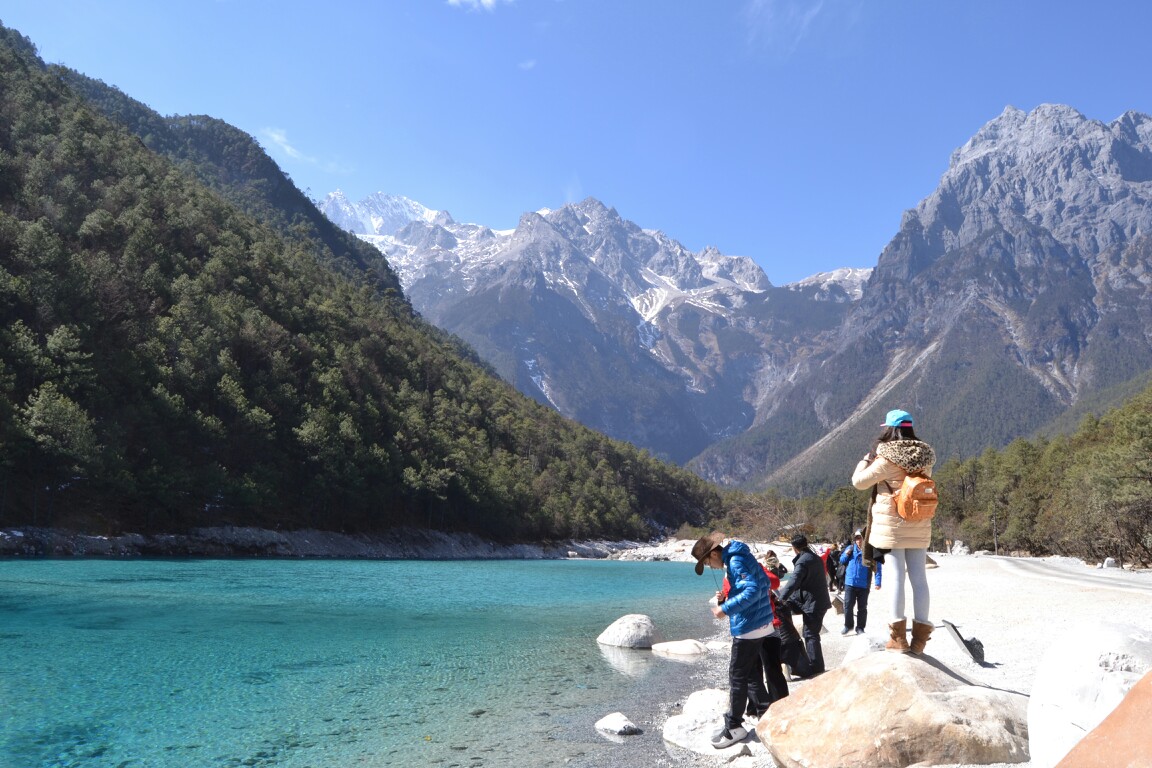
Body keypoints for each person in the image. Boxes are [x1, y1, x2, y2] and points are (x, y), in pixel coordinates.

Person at [851, 409, 937, 654]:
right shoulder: (926, 456)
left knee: (896, 577)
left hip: (892, 526)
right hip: (919, 522)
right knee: (919, 578)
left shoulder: (886, 458)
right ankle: (920, 640)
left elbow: (859, 482)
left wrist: (865, 460)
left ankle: (898, 639)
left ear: (889, 429)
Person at [691, 532, 777, 749]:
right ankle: (767, 713)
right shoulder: (738, 556)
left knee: (737, 676)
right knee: (748, 673)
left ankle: (735, 728)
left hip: (749, 626)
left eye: (707, 562)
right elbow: (765, 582)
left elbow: (753, 589)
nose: (711, 566)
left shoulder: (735, 560)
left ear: (713, 554)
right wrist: (729, 596)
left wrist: (724, 608)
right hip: (760, 623)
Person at [776, 533, 832, 674]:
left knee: (810, 634)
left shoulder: (803, 561)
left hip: (814, 603)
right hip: (814, 600)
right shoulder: (814, 558)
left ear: (794, 547)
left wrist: (781, 598)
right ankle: (809, 661)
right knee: (810, 632)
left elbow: (794, 581)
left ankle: (816, 666)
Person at [839, 529, 881, 634]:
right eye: (857, 538)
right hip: (850, 583)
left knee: (862, 608)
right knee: (848, 606)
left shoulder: (870, 551)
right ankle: (848, 626)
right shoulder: (850, 548)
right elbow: (842, 560)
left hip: (864, 584)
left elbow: (877, 567)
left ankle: (860, 628)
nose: (859, 540)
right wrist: (846, 554)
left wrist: (878, 582)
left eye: (861, 538)